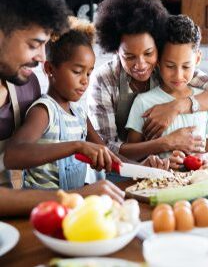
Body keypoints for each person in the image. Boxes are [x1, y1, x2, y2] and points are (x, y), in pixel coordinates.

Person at [0, 0, 124, 216]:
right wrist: (75, 197)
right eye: (34, 45)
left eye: (45, 45)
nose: (41, 57)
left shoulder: (25, 87)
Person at [88, 0, 208, 165]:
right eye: (129, 56)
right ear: (115, 50)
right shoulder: (104, 80)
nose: (141, 65)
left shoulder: (168, 68)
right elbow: (106, 148)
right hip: (117, 172)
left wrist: (176, 106)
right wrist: (165, 143)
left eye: (148, 53)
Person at [4, 17, 122, 190]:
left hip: (70, 203)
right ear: (50, 69)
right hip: (39, 206)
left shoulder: (80, 114)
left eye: (89, 73)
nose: (85, 81)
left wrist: (145, 167)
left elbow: (107, 154)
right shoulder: (44, 111)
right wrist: (76, 146)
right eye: (77, 71)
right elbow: (12, 155)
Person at [126, 15, 208, 168]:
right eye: (170, 66)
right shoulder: (143, 102)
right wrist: (158, 161)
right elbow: (129, 153)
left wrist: (207, 157)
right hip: (157, 185)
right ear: (158, 61)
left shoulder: (204, 100)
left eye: (186, 66)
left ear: (198, 59)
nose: (178, 75)